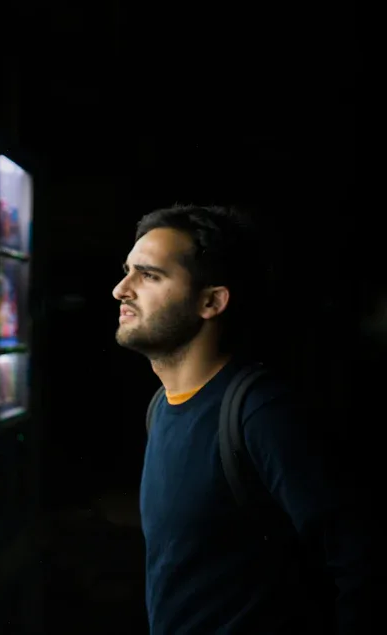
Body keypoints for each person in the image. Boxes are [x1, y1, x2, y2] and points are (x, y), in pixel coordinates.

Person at [112, 204, 373, 633]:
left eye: (149, 275)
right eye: (127, 271)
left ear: (211, 301)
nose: (121, 289)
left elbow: (360, 563)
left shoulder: (261, 413)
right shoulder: (162, 407)